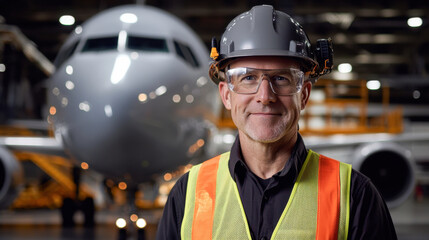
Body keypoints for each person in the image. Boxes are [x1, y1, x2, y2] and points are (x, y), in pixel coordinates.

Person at [157, 5, 397, 240]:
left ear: (303, 95)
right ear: (226, 95)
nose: (265, 96)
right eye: (248, 78)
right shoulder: (187, 195)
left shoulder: (355, 195)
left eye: (281, 78)